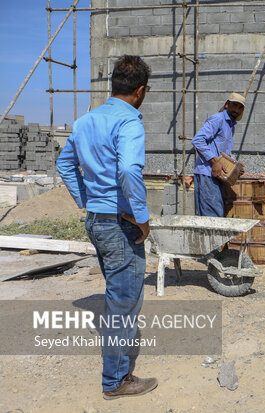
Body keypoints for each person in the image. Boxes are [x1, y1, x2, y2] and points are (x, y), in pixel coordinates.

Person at [56, 55, 158, 400]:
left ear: (114, 86)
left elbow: (64, 164)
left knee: (118, 297)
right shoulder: (129, 123)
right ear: (140, 91)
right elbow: (129, 171)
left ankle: (118, 371)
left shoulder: (85, 121)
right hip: (120, 225)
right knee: (124, 302)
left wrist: (86, 200)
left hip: (97, 222)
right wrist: (141, 217)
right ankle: (116, 381)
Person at [192, 92, 246, 217]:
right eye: (234, 105)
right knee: (213, 216)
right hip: (207, 174)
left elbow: (223, 152)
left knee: (213, 215)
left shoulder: (230, 125)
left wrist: (235, 166)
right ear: (227, 105)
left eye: (240, 108)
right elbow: (197, 140)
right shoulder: (217, 119)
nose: (236, 110)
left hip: (216, 176)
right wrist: (214, 162)